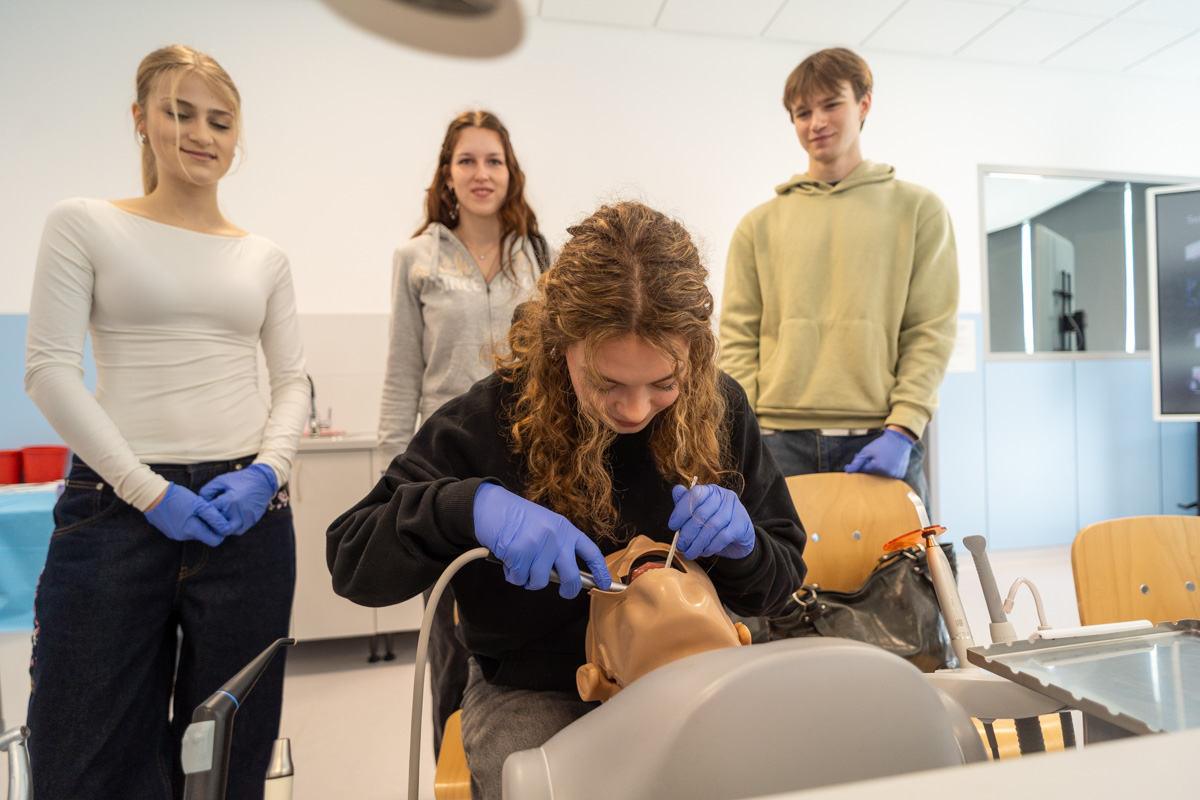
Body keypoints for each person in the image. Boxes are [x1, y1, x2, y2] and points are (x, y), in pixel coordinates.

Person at [329, 201, 806, 800]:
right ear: (561, 345)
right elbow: (352, 561)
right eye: (607, 384)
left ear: (695, 353)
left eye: (664, 383)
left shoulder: (718, 407)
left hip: (692, 668)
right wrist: (467, 509)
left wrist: (747, 548)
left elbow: (779, 580)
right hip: (538, 690)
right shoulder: (487, 421)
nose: (635, 410)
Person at [24, 45, 308, 799]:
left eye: (220, 120)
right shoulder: (84, 223)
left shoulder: (265, 257)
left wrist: (267, 472)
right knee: (85, 756)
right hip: (115, 510)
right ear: (141, 118)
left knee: (228, 758)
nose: (201, 134)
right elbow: (48, 371)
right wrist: (147, 491)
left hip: (247, 520)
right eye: (180, 113)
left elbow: (292, 382)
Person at [377, 110, 550, 757]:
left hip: (531, 467)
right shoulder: (415, 259)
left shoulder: (540, 255)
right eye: (467, 160)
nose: (482, 173)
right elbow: (401, 375)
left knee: (533, 635)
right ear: (446, 175)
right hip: (446, 472)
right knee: (451, 648)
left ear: (511, 172)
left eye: (493, 160)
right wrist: (393, 486)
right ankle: (454, 778)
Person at [718, 47, 958, 508]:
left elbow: (930, 330)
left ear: (864, 104)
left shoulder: (919, 211)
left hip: (883, 433)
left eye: (831, 105)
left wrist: (904, 427)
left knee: (904, 558)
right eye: (802, 113)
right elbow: (738, 336)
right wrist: (748, 430)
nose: (817, 122)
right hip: (778, 439)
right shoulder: (758, 224)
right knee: (780, 560)